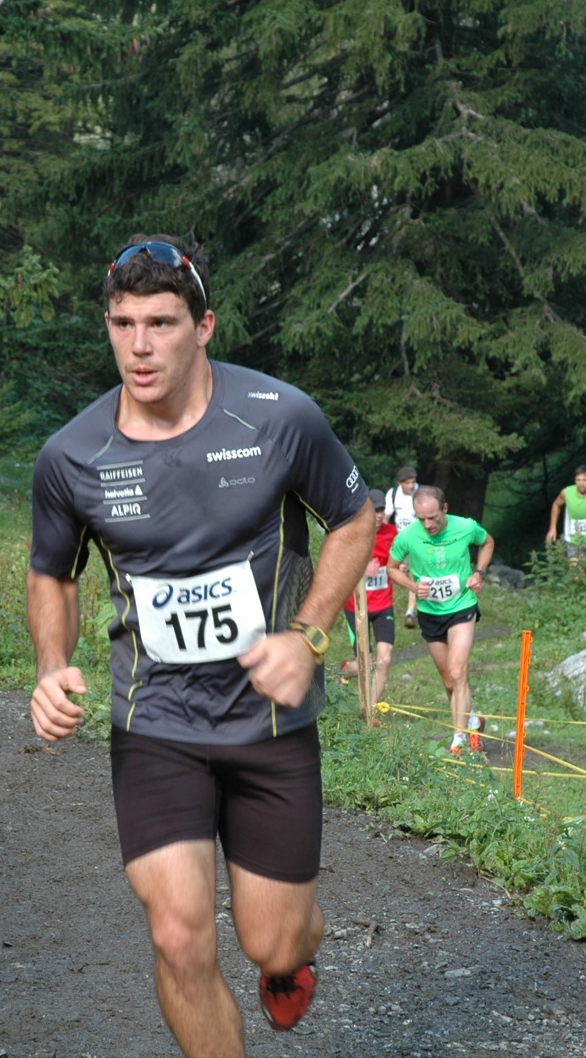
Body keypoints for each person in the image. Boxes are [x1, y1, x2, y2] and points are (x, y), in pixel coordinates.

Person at [27, 234, 374, 1056]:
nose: (139, 347)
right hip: (155, 722)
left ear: (204, 326)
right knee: (180, 938)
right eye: (122, 324)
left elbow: (355, 520)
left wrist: (308, 637)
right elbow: (53, 573)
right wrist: (51, 667)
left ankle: (295, 951)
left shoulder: (279, 418)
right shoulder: (73, 455)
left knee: (272, 941)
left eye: (161, 323)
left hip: (269, 722)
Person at [385, 485, 494, 755]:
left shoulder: (465, 527)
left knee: (458, 672)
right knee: (448, 681)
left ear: (445, 509)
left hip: (461, 606)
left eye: (433, 517)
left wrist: (478, 573)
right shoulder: (408, 536)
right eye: (422, 519)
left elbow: (487, 542)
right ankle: (473, 720)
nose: (428, 525)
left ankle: (459, 740)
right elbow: (392, 568)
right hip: (430, 613)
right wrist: (413, 587)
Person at [339, 488, 398, 712]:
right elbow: (337, 569)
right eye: (375, 510)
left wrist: (399, 565)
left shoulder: (392, 533)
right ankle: (346, 670)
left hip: (383, 606)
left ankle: (368, 713)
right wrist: (363, 570)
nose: (379, 515)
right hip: (355, 607)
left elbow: (398, 558)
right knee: (367, 664)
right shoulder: (351, 533)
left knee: (384, 661)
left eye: (382, 510)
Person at [382, 466, 420, 627]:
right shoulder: (393, 494)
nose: (411, 486)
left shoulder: (420, 493)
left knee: (414, 575)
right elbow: (386, 517)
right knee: (394, 572)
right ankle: (386, 606)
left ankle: (410, 611)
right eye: (407, 483)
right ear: (400, 483)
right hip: (399, 539)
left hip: (417, 540)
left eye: (413, 482)